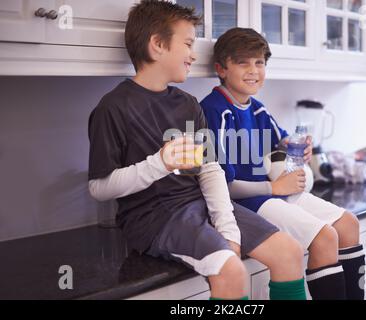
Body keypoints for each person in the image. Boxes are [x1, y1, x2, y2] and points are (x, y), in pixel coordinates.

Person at [87, 1, 306, 300]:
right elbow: (99, 188)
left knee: (289, 252)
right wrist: (160, 163)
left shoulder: (188, 104)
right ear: (157, 45)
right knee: (232, 271)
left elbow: (210, 170)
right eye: (188, 43)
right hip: (155, 218)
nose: (193, 54)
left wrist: (227, 228)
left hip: (200, 204)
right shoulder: (113, 108)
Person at [200, 27, 366, 300]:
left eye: (260, 62)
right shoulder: (211, 111)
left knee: (349, 224)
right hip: (246, 203)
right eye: (243, 62)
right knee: (325, 238)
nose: (253, 70)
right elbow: (220, 186)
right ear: (221, 68)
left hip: (273, 192)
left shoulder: (257, 108)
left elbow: (283, 140)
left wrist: (296, 145)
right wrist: (273, 187)